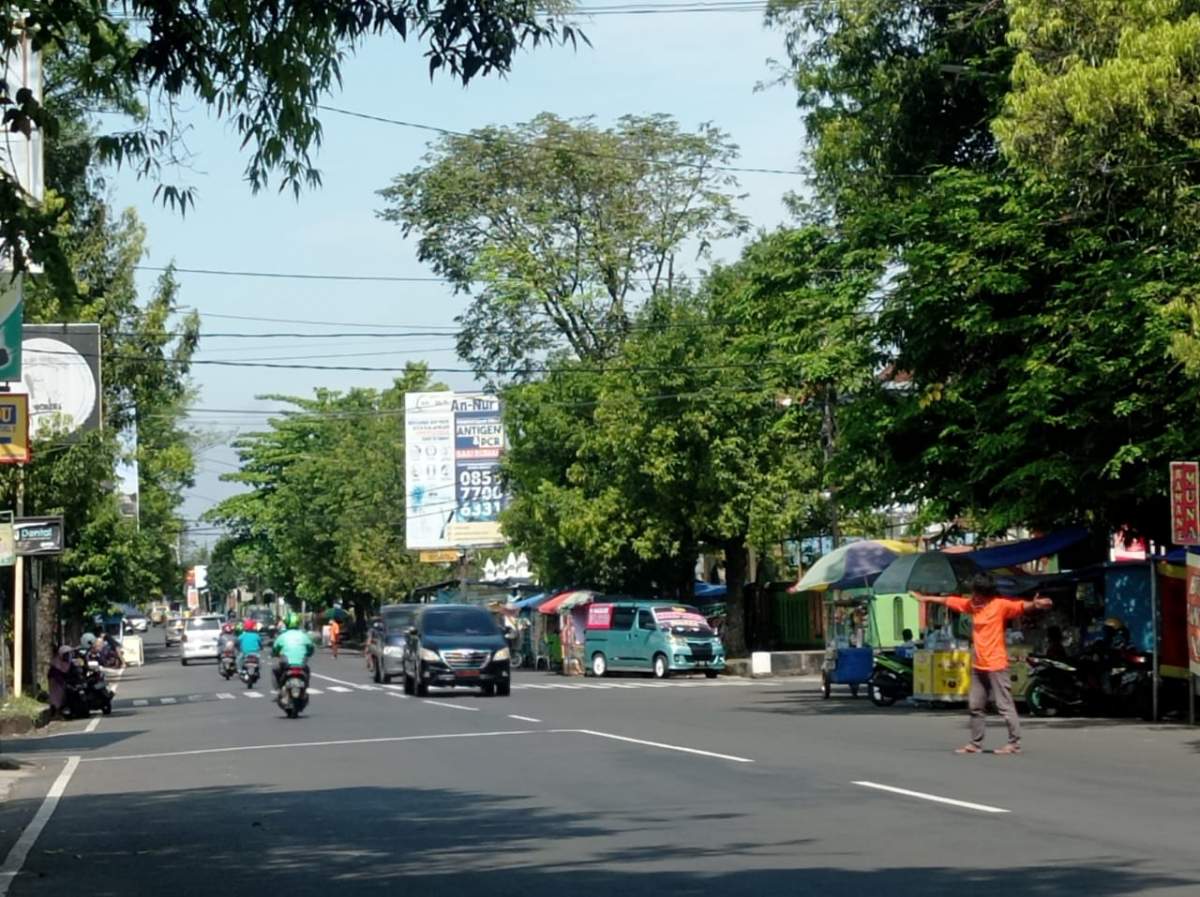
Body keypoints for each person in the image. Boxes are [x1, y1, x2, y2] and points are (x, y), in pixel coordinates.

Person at [914, 574, 1052, 755]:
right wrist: (925, 598)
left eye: (977, 593)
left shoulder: (1000, 605)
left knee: (1004, 706)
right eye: (973, 593)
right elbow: (949, 600)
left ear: (986, 594)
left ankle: (1014, 743)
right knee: (975, 706)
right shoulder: (972, 606)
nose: (973, 596)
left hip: (996, 664)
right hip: (978, 666)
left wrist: (1035, 604)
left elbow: (1020, 606)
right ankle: (975, 743)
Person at [273, 613, 315, 688]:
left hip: (286, 665)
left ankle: (279, 687)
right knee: (307, 670)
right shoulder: (303, 635)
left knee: (275, 669)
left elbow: (275, 648)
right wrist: (308, 653)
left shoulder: (282, 636)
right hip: (301, 664)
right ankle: (305, 686)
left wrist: (275, 653)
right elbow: (311, 647)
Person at [47, 645, 73, 717]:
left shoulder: (67, 662)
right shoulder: (56, 662)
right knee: (56, 696)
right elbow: (55, 672)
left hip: (61, 681)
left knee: (61, 696)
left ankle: (59, 711)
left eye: (68, 654)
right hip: (55, 680)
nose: (67, 656)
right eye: (66, 654)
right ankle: (55, 712)